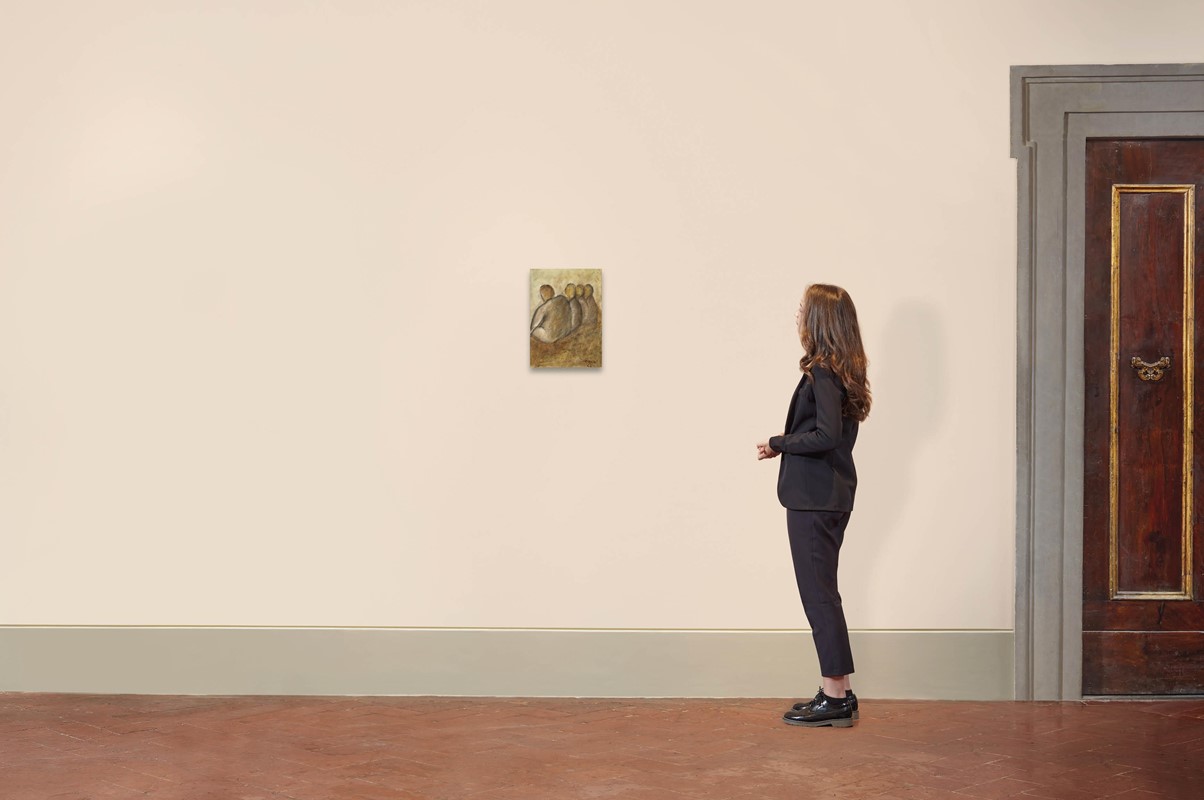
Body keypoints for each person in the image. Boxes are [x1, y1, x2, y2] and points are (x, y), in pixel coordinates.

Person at [756, 283, 871, 728]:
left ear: (819, 319)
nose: (797, 314)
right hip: (831, 495)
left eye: (803, 307)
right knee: (825, 593)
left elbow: (826, 435)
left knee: (818, 596)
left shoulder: (823, 371)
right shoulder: (844, 370)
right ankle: (839, 692)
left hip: (813, 499)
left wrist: (778, 442)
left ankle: (835, 696)